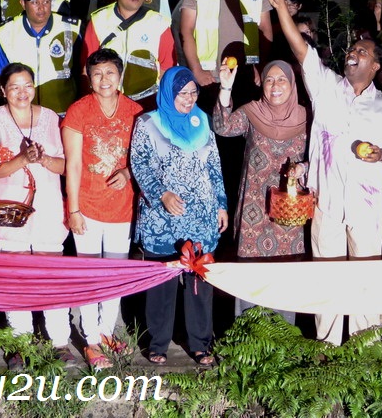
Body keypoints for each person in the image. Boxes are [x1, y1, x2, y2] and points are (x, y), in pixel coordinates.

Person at [267, 0, 382, 346]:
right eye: (352, 49)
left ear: (375, 66)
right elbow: (300, 48)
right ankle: (328, 349)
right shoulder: (326, 88)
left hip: (366, 208)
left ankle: (364, 350)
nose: (353, 53)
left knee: (364, 281)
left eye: (362, 51)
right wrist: (281, 7)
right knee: (328, 279)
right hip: (327, 203)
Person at [130, 66, 228, 366]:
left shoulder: (202, 121)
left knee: (199, 281)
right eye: (182, 93)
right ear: (168, 92)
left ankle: (200, 343)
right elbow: (139, 164)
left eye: (193, 92)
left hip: (201, 216)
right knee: (162, 282)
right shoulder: (148, 123)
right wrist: (162, 194)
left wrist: (221, 204)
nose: (189, 98)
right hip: (163, 218)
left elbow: (214, 166)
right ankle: (158, 343)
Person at [0, 63, 75, 368]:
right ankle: (20, 344)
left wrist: (43, 158)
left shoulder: (49, 117)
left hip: (47, 206)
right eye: (15, 87)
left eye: (28, 86)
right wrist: (22, 158)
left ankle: (59, 341)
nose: (22, 92)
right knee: (15, 277)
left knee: (52, 276)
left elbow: (65, 165)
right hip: (10, 209)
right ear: (2, 90)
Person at [62, 49, 142, 370]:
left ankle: (107, 332)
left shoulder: (136, 112)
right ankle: (92, 338)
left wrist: (128, 173)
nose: (104, 79)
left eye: (110, 72)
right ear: (89, 78)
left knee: (114, 275)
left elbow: (144, 158)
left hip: (122, 210)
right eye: (97, 74)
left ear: (120, 76)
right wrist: (74, 210)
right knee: (89, 275)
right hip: (88, 207)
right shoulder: (78, 111)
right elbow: (73, 164)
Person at [212, 59, 309, 323]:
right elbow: (223, 127)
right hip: (253, 211)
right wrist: (225, 88)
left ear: (292, 84)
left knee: (284, 274)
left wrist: (304, 167)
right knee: (251, 276)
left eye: (282, 79)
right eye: (269, 80)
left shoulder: (307, 117)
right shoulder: (252, 112)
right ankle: (248, 337)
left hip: (288, 211)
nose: (275, 86)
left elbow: (322, 156)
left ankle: (282, 337)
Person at [179, 0, 273, 107]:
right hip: (210, 75)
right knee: (214, 120)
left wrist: (260, 67)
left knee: (245, 120)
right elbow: (186, 30)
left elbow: (265, 29)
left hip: (247, 72)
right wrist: (197, 70)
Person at [83, 0, 175, 108]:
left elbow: (167, 68)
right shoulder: (98, 20)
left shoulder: (159, 23)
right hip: (107, 102)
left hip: (147, 103)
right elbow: (86, 67)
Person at [0, 0, 81, 116]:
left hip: (62, 111)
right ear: (23, 4)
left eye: (46, 1)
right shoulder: (6, 31)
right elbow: (1, 74)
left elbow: (81, 71)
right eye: (35, 2)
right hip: (23, 112)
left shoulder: (71, 28)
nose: (41, 7)